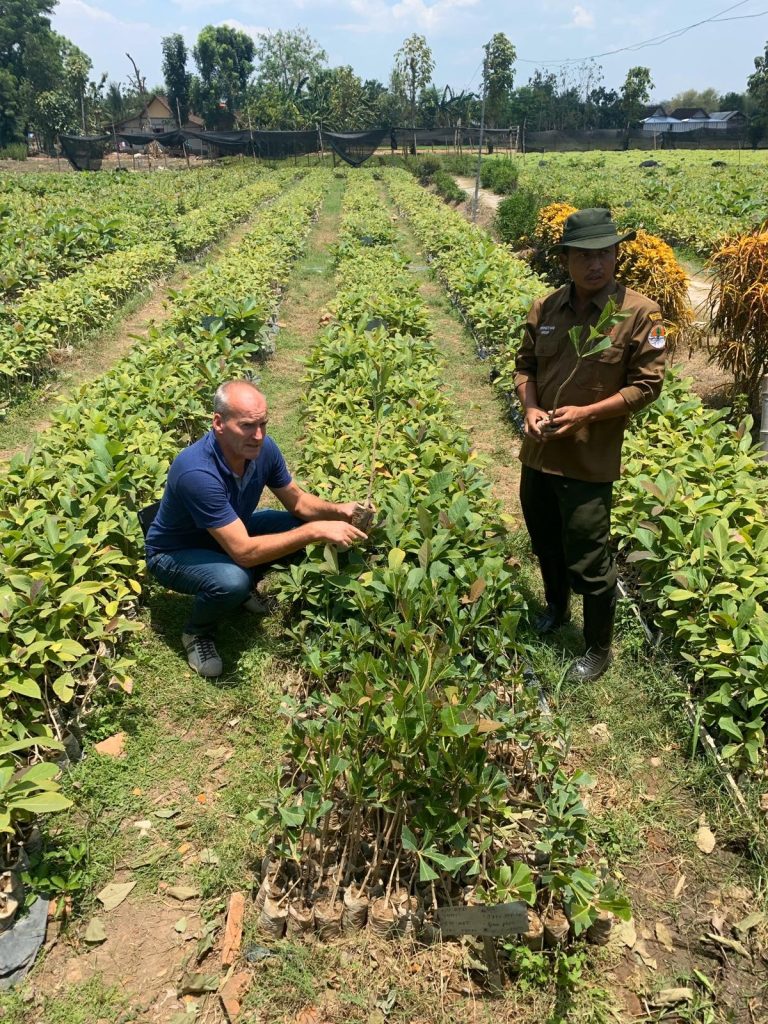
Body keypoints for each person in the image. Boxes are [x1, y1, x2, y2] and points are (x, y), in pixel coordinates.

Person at [514, 208, 667, 682]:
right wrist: (530, 408)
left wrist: (586, 414)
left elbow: (647, 386)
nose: (595, 263)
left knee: (589, 555)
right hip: (539, 455)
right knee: (545, 540)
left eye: (604, 253)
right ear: (566, 260)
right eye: (584, 255)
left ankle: (598, 648)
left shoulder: (641, 314)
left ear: (617, 254)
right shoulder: (547, 307)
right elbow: (525, 368)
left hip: (588, 459)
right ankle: (556, 610)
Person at [145, 380, 368, 679]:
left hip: (232, 529)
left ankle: (241, 590)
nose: (259, 435)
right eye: (248, 425)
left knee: (299, 524)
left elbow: (299, 502)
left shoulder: (264, 449)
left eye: (263, 423)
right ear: (218, 423)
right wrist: (317, 531)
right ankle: (197, 633)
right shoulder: (196, 471)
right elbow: (244, 552)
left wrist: (339, 510)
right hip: (175, 552)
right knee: (234, 578)